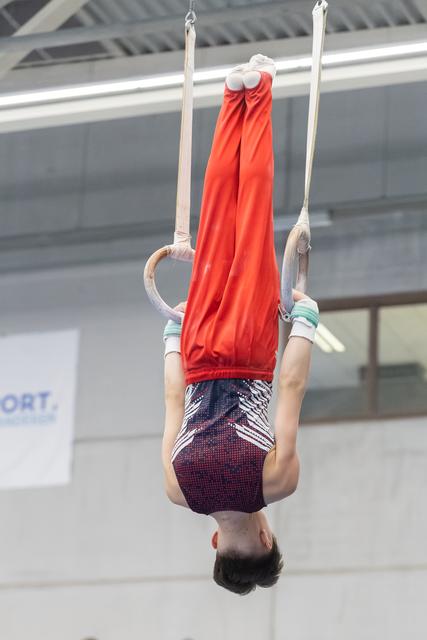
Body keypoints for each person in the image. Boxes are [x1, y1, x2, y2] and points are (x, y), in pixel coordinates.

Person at [160, 55, 319, 595]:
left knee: (251, 216)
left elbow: (291, 389)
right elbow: (173, 404)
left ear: (267, 540)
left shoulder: (274, 483)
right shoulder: (177, 491)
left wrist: (304, 323)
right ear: (215, 545)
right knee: (217, 218)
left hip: (250, 350)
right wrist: (170, 339)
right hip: (199, 349)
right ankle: (234, 97)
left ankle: (262, 90)